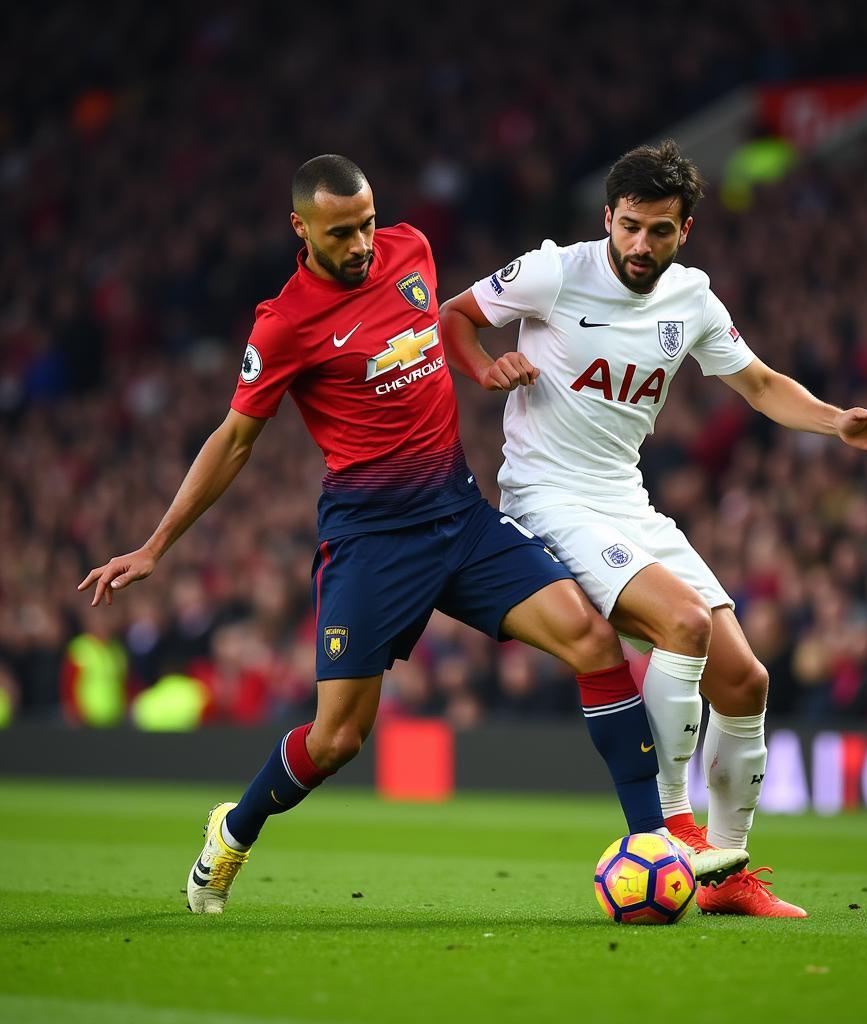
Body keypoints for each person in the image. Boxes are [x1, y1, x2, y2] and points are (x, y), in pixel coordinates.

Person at [79, 154, 744, 915]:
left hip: (460, 519)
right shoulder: (284, 322)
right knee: (337, 741)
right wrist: (156, 546)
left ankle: (653, 841)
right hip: (372, 542)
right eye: (340, 233)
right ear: (301, 229)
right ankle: (234, 826)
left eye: (365, 223)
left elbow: (454, 323)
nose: (361, 243)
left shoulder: (411, 251)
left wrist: (486, 368)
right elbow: (233, 441)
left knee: (592, 642)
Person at [439, 140, 867, 917]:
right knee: (684, 624)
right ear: (607, 219)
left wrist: (836, 422)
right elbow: (455, 315)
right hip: (549, 498)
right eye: (628, 227)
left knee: (747, 681)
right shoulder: (555, 270)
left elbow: (756, 383)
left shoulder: (692, 299)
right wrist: (486, 368)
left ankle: (727, 881)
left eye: (659, 231)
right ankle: (670, 828)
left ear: (685, 230)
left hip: (625, 500)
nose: (639, 245)